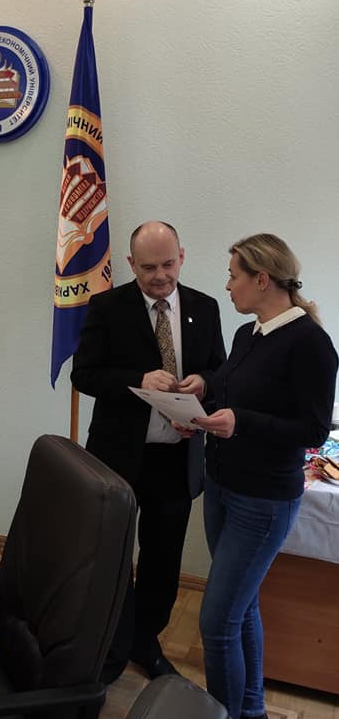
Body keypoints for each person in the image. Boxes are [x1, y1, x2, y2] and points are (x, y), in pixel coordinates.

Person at [190, 233, 338, 719]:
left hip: (263, 500)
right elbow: (233, 390)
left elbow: (312, 430)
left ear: (262, 279)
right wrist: (202, 392)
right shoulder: (247, 333)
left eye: (233, 276)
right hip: (222, 485)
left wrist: (242, 422)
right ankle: (250, 718)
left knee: (217, 622)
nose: (227, 285)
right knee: (242, 605)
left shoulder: (311, 344)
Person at [71, 221, 226, 681]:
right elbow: (84, 374)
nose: (160, 276)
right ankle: (111, 643)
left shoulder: (205, 307)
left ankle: (145, 641)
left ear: (182, 256)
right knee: (111, 552)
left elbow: (220, 371)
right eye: (148, 268)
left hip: (175, 458)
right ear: (130, 263)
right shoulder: (107, 307)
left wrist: (205, 384)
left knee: (163, 558)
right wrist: (137, 379)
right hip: (119, 456)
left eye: (168, 264)